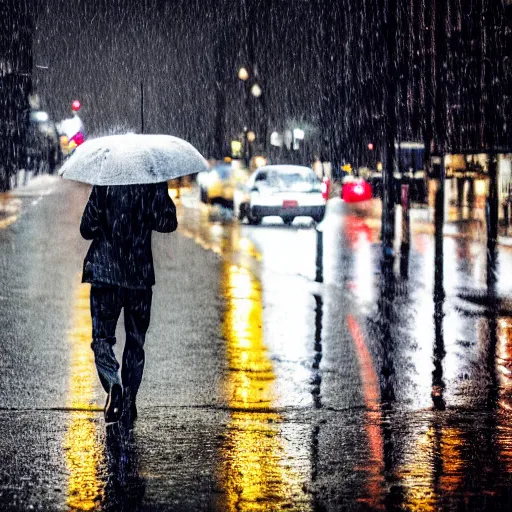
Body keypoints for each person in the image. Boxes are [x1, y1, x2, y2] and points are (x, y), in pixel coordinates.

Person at [80, 182, 178, 424]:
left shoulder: (105, 182)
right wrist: (157, 199)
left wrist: (106, 216)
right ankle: (130, 399)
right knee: (135, 341)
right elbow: (167, 223)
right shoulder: (152, 183)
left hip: (106, 274)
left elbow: (87, 228)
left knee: (102, 339)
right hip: (139, 275)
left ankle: (114, 385)